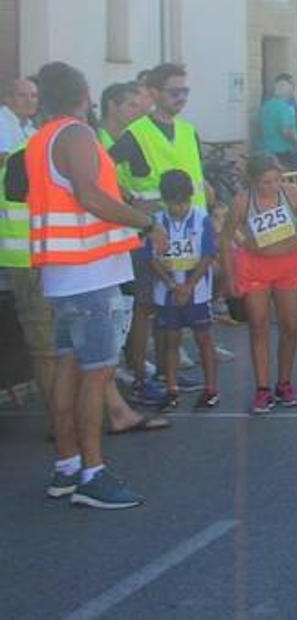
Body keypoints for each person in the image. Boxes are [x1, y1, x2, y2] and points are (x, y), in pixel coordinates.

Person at [31, 61, 155, 509]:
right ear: (83, 92)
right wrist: (145, 220)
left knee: (68, 365)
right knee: (96, 370)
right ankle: (92, 472)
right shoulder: (78, 135)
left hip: (63, 270)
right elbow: (90, 195)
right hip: (90, 270)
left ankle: (66, 466)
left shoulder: (41, 138)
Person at [110, 64, 207, 407]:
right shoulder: (136, 133)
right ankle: (139, 377)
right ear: (153, 94)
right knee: (146, 306)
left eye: (185, 91)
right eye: (173, 92)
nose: (181, 98)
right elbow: (103, 170)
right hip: (152, 232)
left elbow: (198, 183)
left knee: (172, 307)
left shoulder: (188, 131)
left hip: (188, 233)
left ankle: (167, 370)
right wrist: (131, 201)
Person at [222, 154, 297, 413]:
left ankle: (284, 383)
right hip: (255, 267)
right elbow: (224, 239)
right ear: (253, 181)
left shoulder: (293, 194)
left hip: (288, 265)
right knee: (259, 326)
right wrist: (230, 276)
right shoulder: (243, 202)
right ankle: (263, 388)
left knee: (290, 325)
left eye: (277, 180)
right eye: (266, 182)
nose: (273, 186)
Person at [147, 170, 219, 413]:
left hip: (196, 291)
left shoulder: (201, 219)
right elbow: (152, 258)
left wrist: (188, 285)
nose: (178, 208)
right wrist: (170, 283)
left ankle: (210, 388)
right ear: (164, 201)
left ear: (189, 198)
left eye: (182, 202)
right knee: (171, 341)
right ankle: (172, 389)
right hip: (168, 291)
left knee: (204, 340)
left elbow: (208, 255)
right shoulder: (157, 221)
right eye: (172, 203)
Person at [258, 75, 297, 169]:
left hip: (266, 150)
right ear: (285, 87)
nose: (293, 89)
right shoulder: (285, 108)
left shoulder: (266, 105)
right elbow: (286, 131)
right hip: (282, 152)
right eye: (292, 85)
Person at [0, 76, 38, 154]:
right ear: (7, 98)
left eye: (33, 96)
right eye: (22, 95)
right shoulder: (2, 123)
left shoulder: (32, 130)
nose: (29, 101)